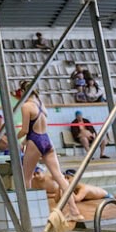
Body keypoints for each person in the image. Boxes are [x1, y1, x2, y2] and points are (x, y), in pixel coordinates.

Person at [16, 84, 75, 219]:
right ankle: (75, 211)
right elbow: (36, 127)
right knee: (59, 176)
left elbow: (25, 130)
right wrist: (25, 141)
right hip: (47, 140)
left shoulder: (26, 106)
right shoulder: (41, 104)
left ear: (24, 91)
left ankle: (30, 212)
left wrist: (14, 138)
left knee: (26, 178)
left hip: (35, 141)